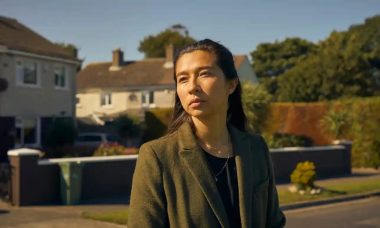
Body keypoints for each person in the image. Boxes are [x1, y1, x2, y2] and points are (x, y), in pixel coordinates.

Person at [128, 39, 286, 228]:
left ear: (231, 85)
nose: (192, 87)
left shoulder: (256, 148)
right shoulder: (157, 156)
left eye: (204, 74)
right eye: (183, 79)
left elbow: (273, 222)